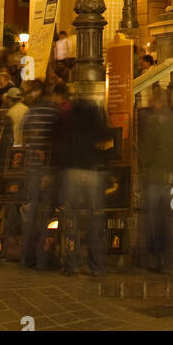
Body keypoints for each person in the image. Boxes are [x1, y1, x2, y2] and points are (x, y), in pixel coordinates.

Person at [55, 94, 107, 276]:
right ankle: (96, 265)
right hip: (91, 169)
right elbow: (102, 136)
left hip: (71, 170)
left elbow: (57, 140)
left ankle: (73, 263)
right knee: (95, 220)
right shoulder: (95, 112)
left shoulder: (66, 114)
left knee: (71, 220)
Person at [137, 87, 173, 273]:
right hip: (170, 178)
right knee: (166, 219)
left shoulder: (152, 122)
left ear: (155, 102)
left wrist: (143, 168)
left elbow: (146, 152)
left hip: (154, 177)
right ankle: (167, 259)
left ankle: (156, 257)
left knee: (153, 220)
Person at [21, 82, 60, 270]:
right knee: (45, 215)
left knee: (31, 214)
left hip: (33, 168)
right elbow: (54, 141)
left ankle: (27, 256)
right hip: (45, 170)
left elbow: (25, 137)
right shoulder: (53, 113)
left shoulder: (31, 112)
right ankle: (42, 258)